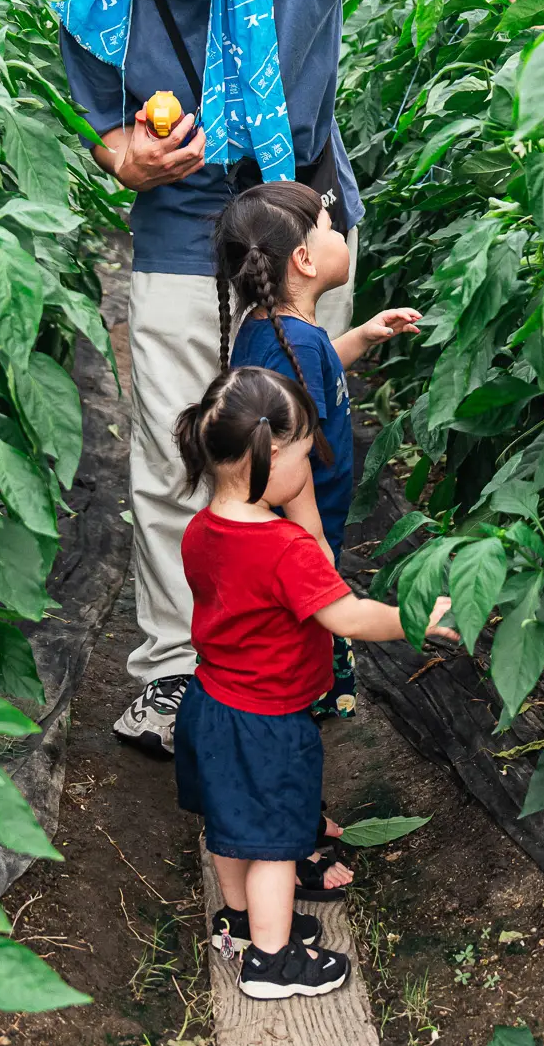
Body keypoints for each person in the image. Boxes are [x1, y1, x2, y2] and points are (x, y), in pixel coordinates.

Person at [51, 0, 518, 755]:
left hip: (297, 221)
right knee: (181, 448)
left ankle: (294, 653)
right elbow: (105, 128)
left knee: (299, 447)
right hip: (184, 231)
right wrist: (129, 158)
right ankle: (176, 670)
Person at [171, 366, 456, 999]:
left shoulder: (201, 531)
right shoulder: (285, 550)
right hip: (268, 722)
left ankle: (241, 923)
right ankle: (271, 964)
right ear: (270, 456)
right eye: (304, 453)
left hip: (211, 704)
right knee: (275, 842)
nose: (312, 469)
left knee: (232, 824)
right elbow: (347, 614)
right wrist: (420, 620)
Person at [216, 182, 420, 719]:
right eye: (329, 227)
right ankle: (288, 735)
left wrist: (361, 338)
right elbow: (288, 450)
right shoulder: (295, 343)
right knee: (299, 651)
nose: (339, 232)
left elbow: (308, 378)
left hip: (282, 535)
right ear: (304, 260)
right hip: (294, 538)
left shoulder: (280, 332)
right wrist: (313, 542)